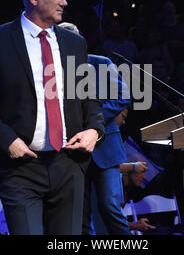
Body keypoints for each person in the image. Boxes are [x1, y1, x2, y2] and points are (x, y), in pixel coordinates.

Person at [0, 0, 105, 235]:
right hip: (19, 168)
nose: (65, 1)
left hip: (69, 163)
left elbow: (89, 95)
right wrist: (8, 140)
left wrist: (94, 130)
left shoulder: (75, 43)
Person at [59, 22, 132, 235]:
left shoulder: (101, 63)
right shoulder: (52, 71)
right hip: (71, 152)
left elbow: (123, 96)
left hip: (105, 147)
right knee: (81, 214)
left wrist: (93, 122)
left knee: (110, 205)